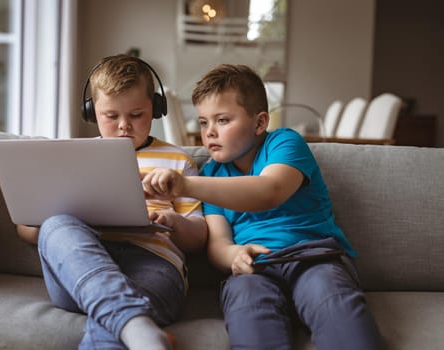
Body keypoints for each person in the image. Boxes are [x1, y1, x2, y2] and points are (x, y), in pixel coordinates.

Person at [142, 64, 382, 350]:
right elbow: (217, 242)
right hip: (253, 269)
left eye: (222, 120)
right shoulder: (210, 174)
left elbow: (269, 191)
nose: (210, 133)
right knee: (248, 309)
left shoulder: (284, 142)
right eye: (204, 122)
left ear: (259, 123)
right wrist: (233, 254)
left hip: (312, 257)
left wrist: (185, 185)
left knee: (334, 303)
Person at [17, 54, 207, 350]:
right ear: (92, 112)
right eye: (111, 116)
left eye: (136, 115)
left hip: (153, 263)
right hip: (79, 270)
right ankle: (137, 325)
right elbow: (27, 232)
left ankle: (131, 325)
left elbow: (198, 238)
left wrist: (174, 221)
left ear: (155, 109)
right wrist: (66, 221)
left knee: (110, 317)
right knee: (57, 223)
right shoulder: (71, 158)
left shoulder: (177, 161)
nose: (124, 126)